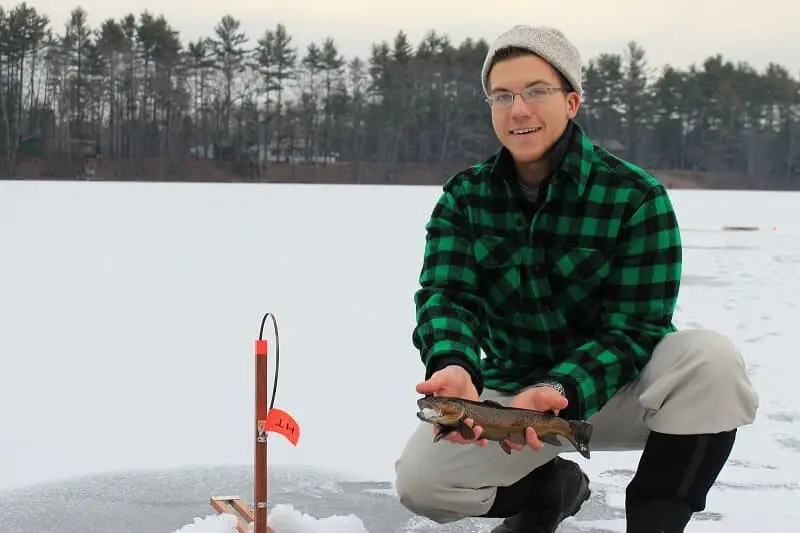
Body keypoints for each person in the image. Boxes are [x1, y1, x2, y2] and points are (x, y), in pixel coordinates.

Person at [394, 24, 760, 533]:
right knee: (422, 485)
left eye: (536, 91)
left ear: (571, 101)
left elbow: (636, 328)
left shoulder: (635, 196)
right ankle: (551, 492)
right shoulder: (464, 197)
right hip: (511, 399)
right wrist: (455, 366)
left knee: (712, 364)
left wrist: (562, 386)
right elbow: (447, 297)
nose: (518, 109)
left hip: (613, 389)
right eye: (502, 95)